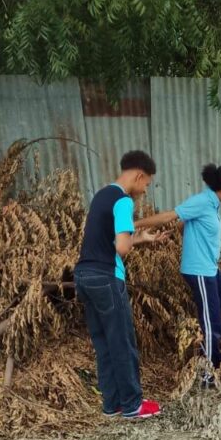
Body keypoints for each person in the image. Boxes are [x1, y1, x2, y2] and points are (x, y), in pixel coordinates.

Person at [73, 150, 169, 421]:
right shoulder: (123, 201)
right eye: (146, 184)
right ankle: (132, 405)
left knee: (103, 343)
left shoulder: (102, 195)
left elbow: (110, 241)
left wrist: (142, 238)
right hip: (106, 277)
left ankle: (112, 404)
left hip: (84, 275)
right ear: (139, 175)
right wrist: (132, 240)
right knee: (122, 341)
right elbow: (122, 248)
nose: (145, 190)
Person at [136, 164, 221, 373]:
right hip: (199, 272)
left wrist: (175, 231)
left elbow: (183, 222)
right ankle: (209, 371)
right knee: (211, 322)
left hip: (210, 269)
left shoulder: (212, 204)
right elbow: (170, 215)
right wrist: (134, 224)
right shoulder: (203, 201)